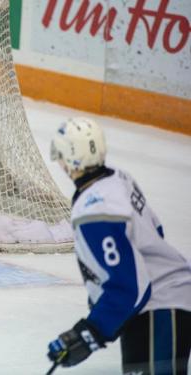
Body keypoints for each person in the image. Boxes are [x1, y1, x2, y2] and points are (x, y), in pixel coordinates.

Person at [46, 117, 191, 374]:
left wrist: (90, 332)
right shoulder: (118, 178)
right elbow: (155, 231)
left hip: (159, 304)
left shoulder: (95, 210)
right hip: (153, 304)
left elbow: (129, 288)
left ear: (70, 160)